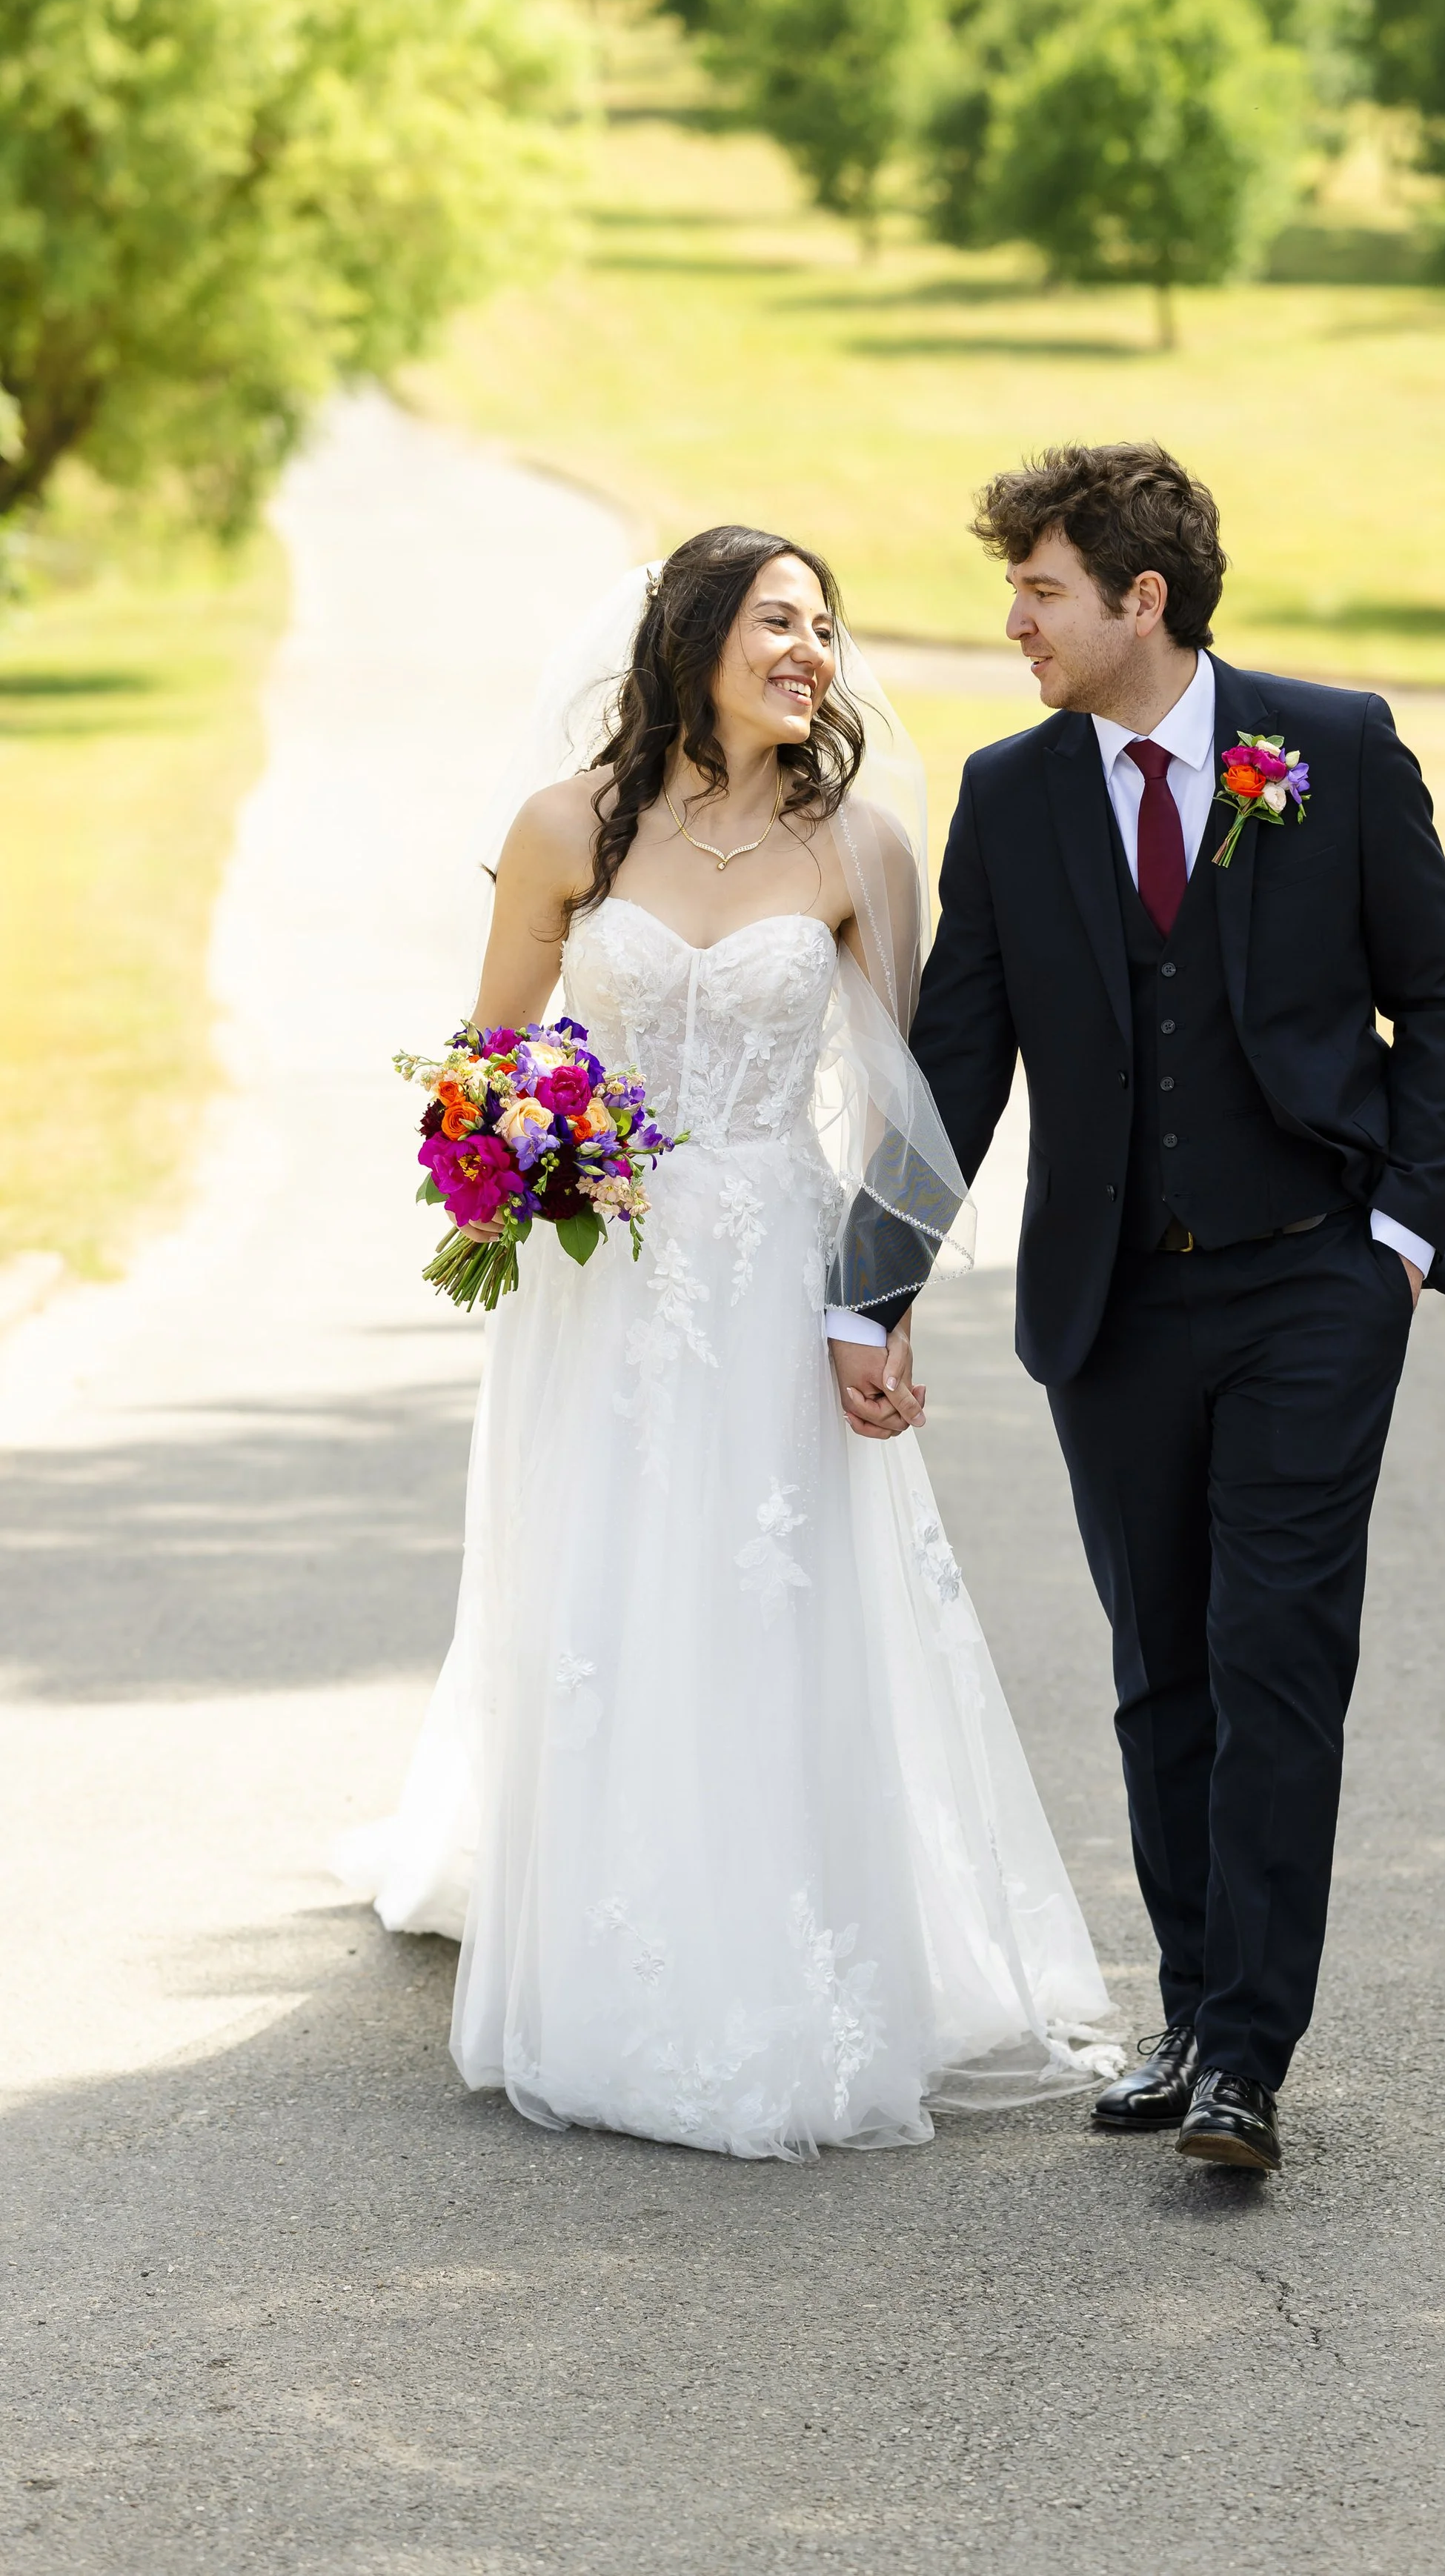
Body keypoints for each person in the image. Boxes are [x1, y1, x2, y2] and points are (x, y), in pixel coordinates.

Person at [337, 525, 1119, 2160]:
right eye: (778, 621)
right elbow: (483, 1066)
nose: (810, 652)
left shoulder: (858, 848)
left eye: (823, 628)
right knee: (612, 1589)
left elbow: (918, 1107)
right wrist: (526, 1144)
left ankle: (794, 1940)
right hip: (604, 1275)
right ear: (693, 636)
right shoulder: (565, 828)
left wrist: (878, 1305)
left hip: (775, 1265)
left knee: (774, 1592)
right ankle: (611, 1920)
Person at [832, 444, 1445, 2172]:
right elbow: (956, 1061)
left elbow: (1437, 995)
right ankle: (1192, 2009)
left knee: (1275, 1658)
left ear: (1143, 598)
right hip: (1111, 1308)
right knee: (1157, 1674)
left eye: (1039, 590)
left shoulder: (1326, 747)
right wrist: (865, 1287)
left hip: (1311, 1286)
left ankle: (1247, 2062)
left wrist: (1402, 1237)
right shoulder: (1013, 790)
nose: (1012, 621)